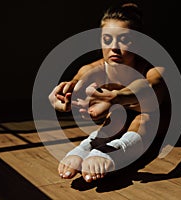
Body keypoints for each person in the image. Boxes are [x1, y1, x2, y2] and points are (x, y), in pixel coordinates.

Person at [48, 3, 170, 183]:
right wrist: (64, 96)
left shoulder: (153, 69)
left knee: (143, 117)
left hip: (158, 118)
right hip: (119, 117)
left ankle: (116, 150)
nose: (114, 47)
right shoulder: (96, 68)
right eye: (107, 40)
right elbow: (80, 80)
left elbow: (151, 89)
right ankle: (87, 146)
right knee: (116, 117)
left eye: (124, 40)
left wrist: (116, 97)